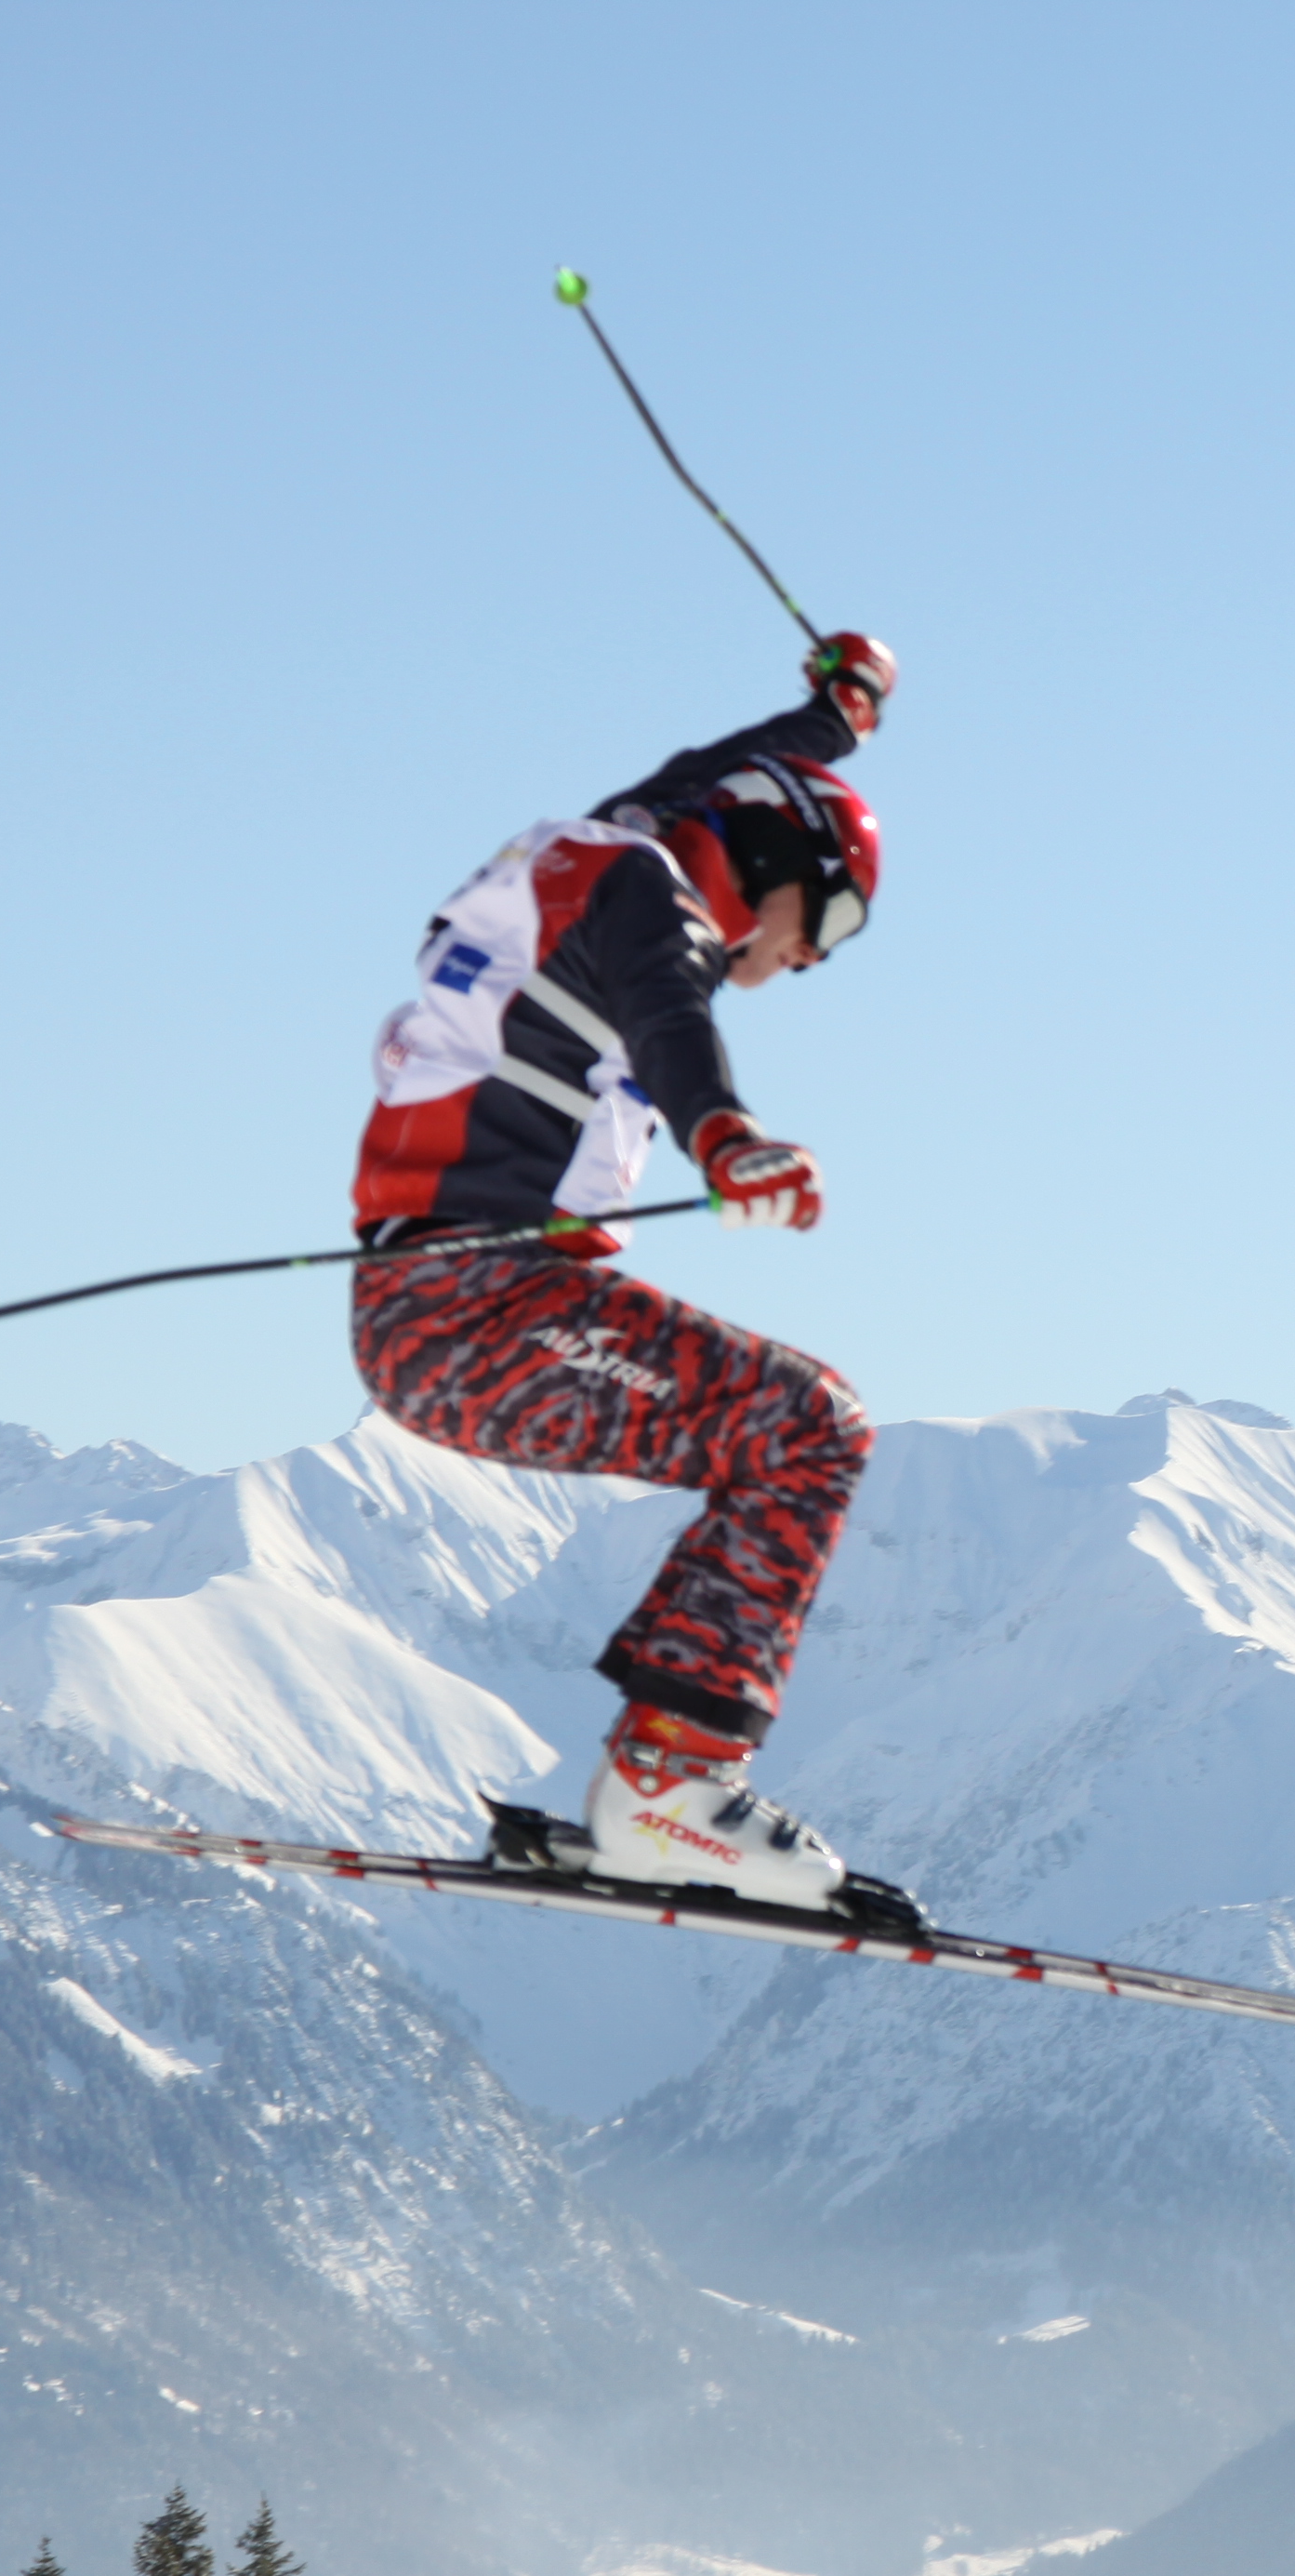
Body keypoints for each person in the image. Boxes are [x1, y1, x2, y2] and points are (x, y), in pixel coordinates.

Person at [348, 636, 900, 1915]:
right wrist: (723, 1135)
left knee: (791, 1431)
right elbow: (671, 1011)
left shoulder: (602, 854)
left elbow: (722, 779)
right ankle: (669, 1794)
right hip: (482, 1313)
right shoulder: (653, 906)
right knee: (810, 1429)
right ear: (782, 871)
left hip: (432, 1310)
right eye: (837, 919)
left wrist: (830, 723)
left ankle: (667, 1779)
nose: (815, 959)